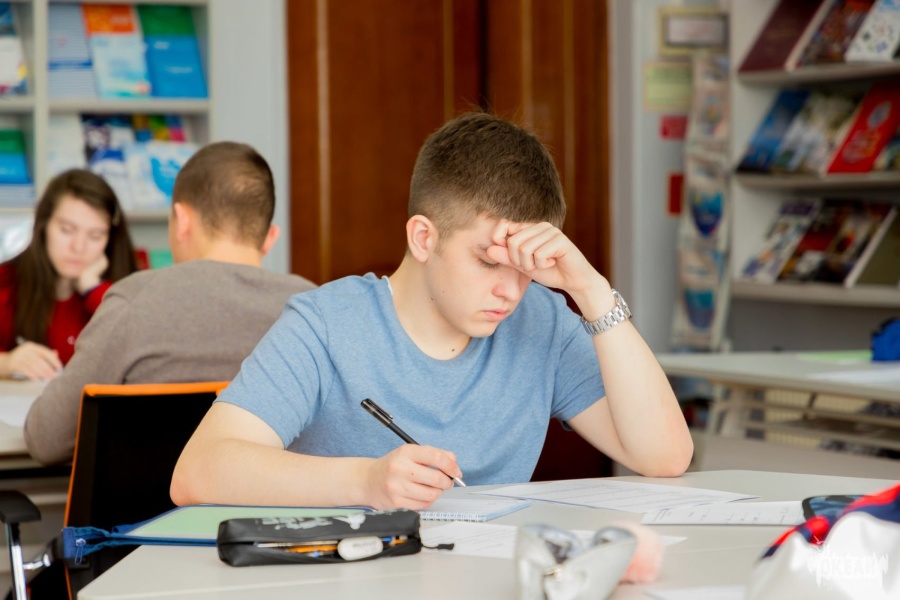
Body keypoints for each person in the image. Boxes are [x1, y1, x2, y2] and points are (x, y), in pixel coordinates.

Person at [171, 113, 693, 510]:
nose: (510, 292)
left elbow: (665, 457)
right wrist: (365, 481)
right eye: (488, 261)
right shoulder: (326, 323)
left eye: (526, 268)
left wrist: (592, 291)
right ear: (424, 238)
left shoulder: (542, 320)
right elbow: (197, 472)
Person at [24, 142, 317, 465]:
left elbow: (46, 440)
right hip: (270, 499)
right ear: (270, 237)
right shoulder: (314, 309)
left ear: (182, 220)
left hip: (147, 500)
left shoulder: (134, 300)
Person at [0, 169, 137, 381]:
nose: (78, 247)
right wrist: (6, 362)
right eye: (67, 230)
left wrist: (94, 290)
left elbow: (142, 348)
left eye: (95, 236)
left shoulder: (126, 290)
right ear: (43, 225)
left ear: (110, 239)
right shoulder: (6, 281)